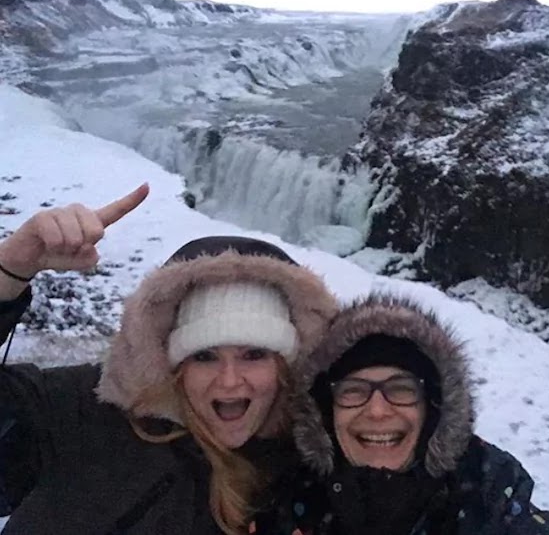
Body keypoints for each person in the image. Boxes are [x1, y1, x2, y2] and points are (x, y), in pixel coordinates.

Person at [0, 184, 339, 535]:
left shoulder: (318, 472)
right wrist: (8, 273)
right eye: (204, 356)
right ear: (172, 364)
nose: (229, 380)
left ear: (287, 367)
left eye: (254, 355)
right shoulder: (85, 418)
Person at [279, 295, 549, 535]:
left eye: (401, 389)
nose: (377, 410)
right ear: (326, 412)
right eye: (353, 390)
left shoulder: (486, 500)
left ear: (433, 409)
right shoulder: (284, 504)